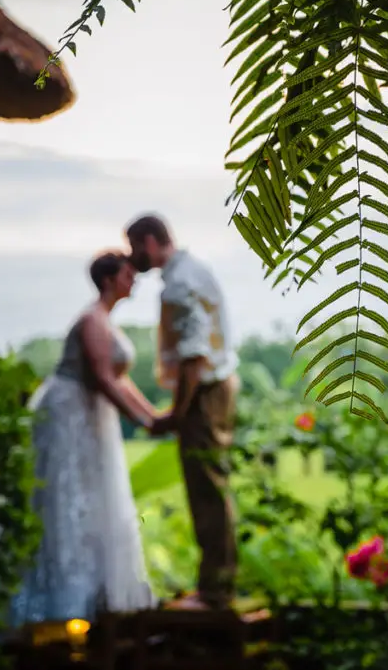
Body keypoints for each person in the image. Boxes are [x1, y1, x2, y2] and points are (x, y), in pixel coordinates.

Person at [9, 251, 158, 626]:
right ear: (109, 279)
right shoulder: (92, 320)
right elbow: (103, 377)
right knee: (69, 495)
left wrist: (155, 416)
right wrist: (143, 421)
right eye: (128, 273)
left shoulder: (106, 322)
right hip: (69, 413)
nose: (134, 280)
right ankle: (66, 596)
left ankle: (100, 590)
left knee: (95, 496)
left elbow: (120, 379)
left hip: (92, 415)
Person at [126, 214, 240, 610]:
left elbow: (194, 355)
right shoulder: (195, 270)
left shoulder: (178, 284)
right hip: (219, 385)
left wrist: (178, 410)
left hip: (204, 393)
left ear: (151, 241)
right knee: (212, 484)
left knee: (205, 488)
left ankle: (214, 591)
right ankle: (217, 583)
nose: (132, 256)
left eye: (135, 246)